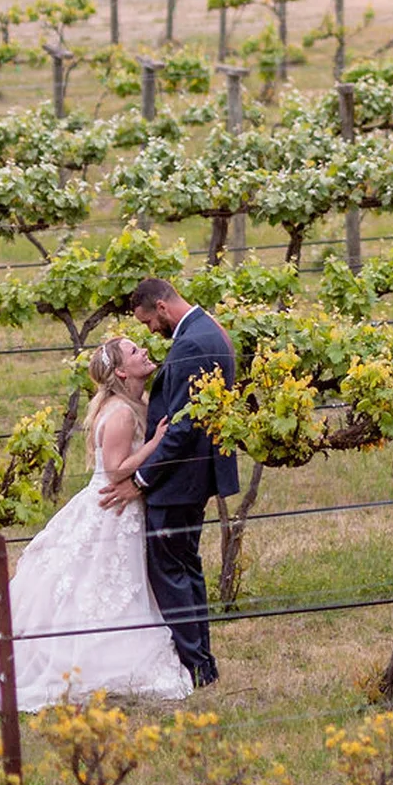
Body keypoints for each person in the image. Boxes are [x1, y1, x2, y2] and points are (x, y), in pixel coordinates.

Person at [0, 333, 192, 722]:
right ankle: (88, 662)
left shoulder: (131, 403)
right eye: (133, 351)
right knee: (97, 587)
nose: (143, 351)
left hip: (119, 508)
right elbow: (114, 470)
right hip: (111, 508)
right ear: (122, 372)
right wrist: (157, 443)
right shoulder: (123, 413)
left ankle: (105, 654)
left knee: (107, 587)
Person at [98, 274, 237, 687]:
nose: (150, 332)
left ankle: (196, 669)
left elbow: (182, 428)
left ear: (161, 307)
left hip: (178, 481)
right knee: (185, 572)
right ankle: (202, 665)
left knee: (173, 578)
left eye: (147, 323)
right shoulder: (207, 328)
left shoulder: (192, 342)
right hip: (189, 478)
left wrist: (139, 480)